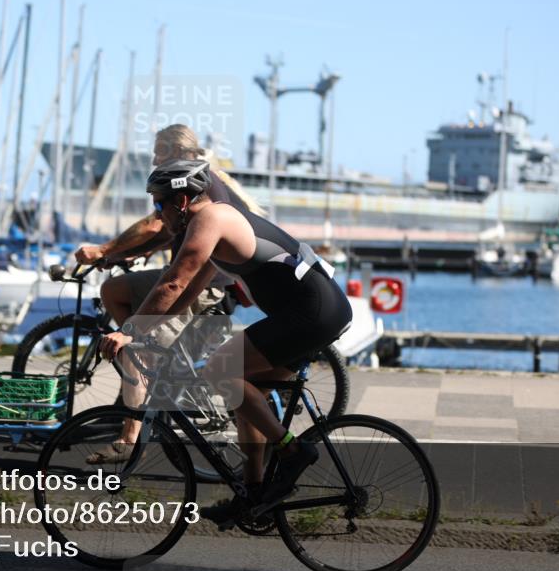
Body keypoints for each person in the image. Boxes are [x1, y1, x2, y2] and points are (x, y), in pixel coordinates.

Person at [99, 159, 353, 526]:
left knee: (221, 369)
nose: (158, 213)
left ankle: (294, 450)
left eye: (159, 203)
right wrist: (152, 334)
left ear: (182, 201)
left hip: (312, 313)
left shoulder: (211, 219)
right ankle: (254, 494)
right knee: (247, 397)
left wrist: (130, 331)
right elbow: (188, 291)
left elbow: (172, 282)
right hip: (317, 311)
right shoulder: (216, 224)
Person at [74, 124, 262, 463]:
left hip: (203, 284)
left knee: (135, 350)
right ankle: (150, 372)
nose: (154, 157)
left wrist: (103, 249)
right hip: (187, 273)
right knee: (114, 290)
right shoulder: (194, 179)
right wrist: (124, 255)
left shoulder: (193, 182)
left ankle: (128, 442)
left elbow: (155, 225)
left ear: (183, 154)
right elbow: (173, 227)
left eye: (161, 151)